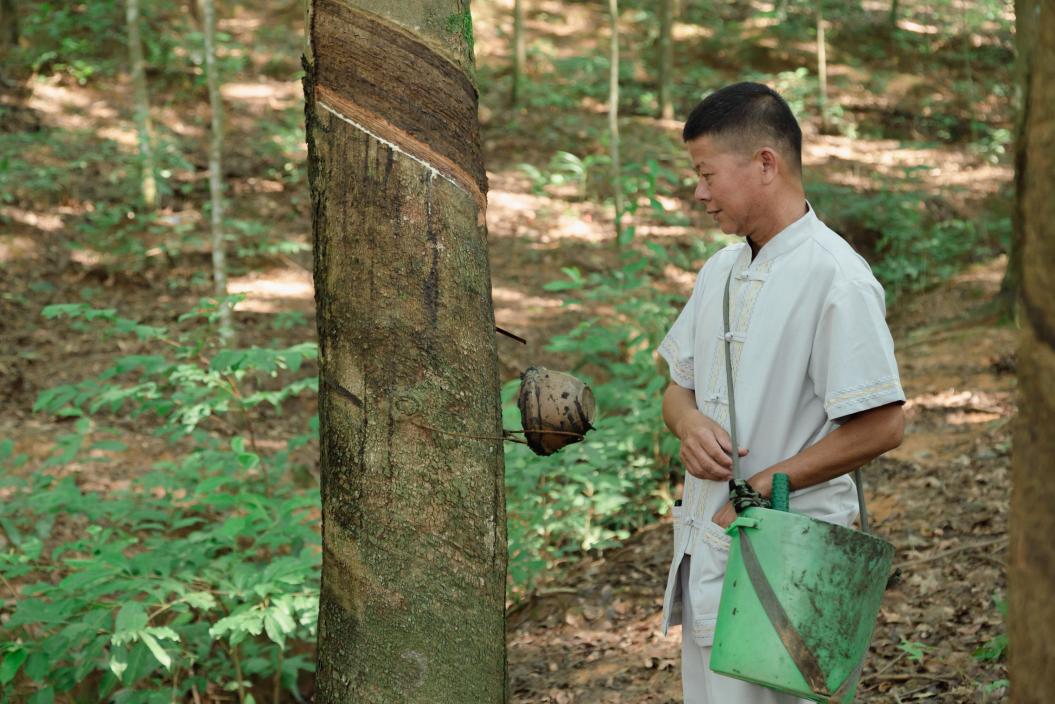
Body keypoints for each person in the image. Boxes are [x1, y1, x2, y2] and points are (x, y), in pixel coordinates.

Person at [656, 82, 906, 704]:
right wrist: (688, 425)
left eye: (707, 174)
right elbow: (675, 389)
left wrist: (764, 486)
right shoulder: (719, 271)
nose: (699, 192)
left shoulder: (836, 278)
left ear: (765, 163)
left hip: (791, 563)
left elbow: (882, 425)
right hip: (707, 547)